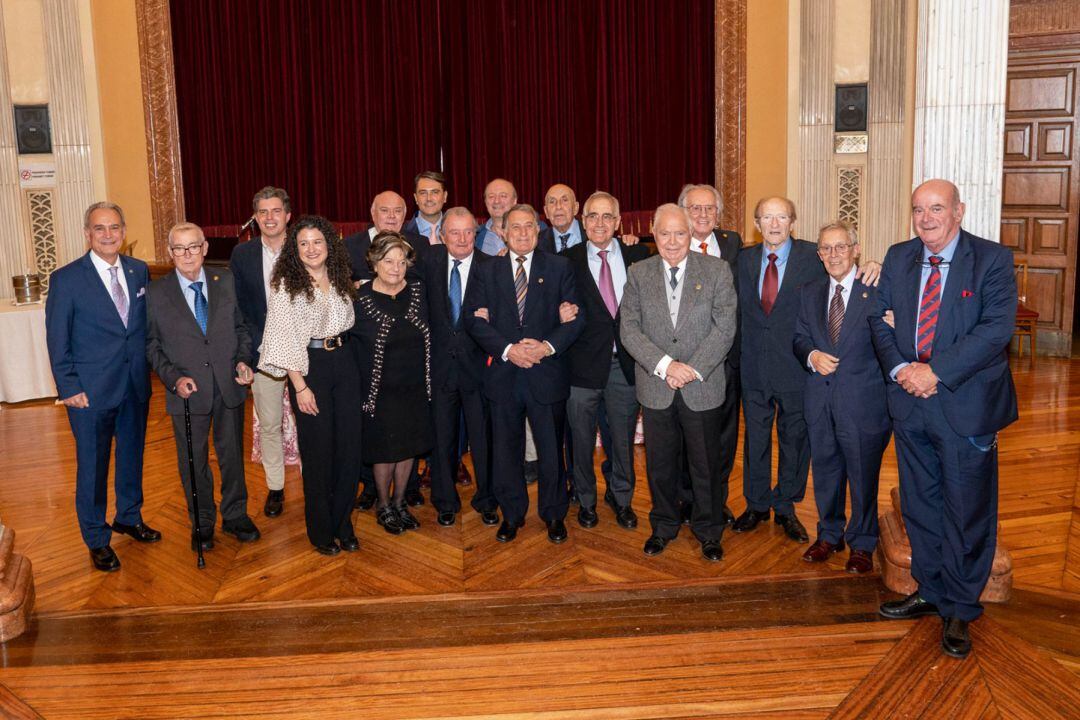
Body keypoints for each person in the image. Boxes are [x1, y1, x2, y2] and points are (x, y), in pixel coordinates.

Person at [871, 179, 1018, 659]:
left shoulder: (992, 259)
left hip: (964, 403)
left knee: (966, 509)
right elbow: (878, 318)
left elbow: (995, 329)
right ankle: (931, 589)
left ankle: (960, 605)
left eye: (936, 208)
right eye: (918, 209)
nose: (926, 217)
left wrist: (936, 371)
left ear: (959, 210)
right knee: (921, 503)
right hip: (910, 402)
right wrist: (900, 368)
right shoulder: (898, 257)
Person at [734, 197, 880, 544]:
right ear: (756, 223)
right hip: (753, 365)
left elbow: (847, 272)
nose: (774, 224)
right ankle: (756, 504)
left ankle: (785, 505)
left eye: (781, 217)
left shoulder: (813, 256)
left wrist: (875, 265)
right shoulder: (741, 259)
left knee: (795, 441)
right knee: (755, 440)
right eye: (766, 217)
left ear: (792, 222)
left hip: (798, 365)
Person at [45, 201, 159, 572]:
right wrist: (68, 386)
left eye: (114, 228)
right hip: (89, 392)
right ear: (87, 234)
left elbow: (141, 331)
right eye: (99, 229)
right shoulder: (66, 279)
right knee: (92, 467)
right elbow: (57, 340)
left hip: (134, 385)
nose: (108, 235)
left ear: (124, 232)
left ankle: (128, 515)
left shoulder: (139, 271)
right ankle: (96, 537)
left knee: (131, 457)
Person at [620, 204, 737, 562]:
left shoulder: (717, 270)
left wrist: (691, 369)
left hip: (702, 386)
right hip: (657, 386)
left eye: (680, 233)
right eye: (665, 233)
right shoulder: (639, 273)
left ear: (692, 235)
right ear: (653, 235)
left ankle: (709, 530)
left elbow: (725, 328)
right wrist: (666, 366)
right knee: (660, 466)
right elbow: (629, 329)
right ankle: (664, 525)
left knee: (706, 464)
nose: (673, 241)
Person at [464, 203, 584, 543]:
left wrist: (545, 346)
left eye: (528, 226)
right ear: (502, 231)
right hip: (503, 375)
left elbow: (576, 318)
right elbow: (473, 319)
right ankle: (512, 515)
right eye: (514, 227)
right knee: (505, 451)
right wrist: (508, 350)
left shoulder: (560, 267)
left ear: (538, 229)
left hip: (546, 374)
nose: (521, 233)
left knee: (550, 451)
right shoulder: (486, 271)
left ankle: (553, 515)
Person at [146, 222, 261, 550]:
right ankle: (203, 520)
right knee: (193, 459)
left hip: (228, 385)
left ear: (205, 248)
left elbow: (240, 328)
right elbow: (152, 344)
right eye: (179, 249)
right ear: (170, 254)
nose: (187, 254)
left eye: (193, 247)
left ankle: (236, 514)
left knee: (232, 456)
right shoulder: (156, 292)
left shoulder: (224, 280)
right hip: (187, 391)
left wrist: (243, 360)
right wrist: (173, 379)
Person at [259, 215, 363, 556]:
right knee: (319, 454)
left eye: (317, 242)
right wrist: (299, 387)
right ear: (295, 248)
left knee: (349, 449)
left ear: (329, 244)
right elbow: (283, 338)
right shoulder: (286, 284)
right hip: (309, 368)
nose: (311, 249)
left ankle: (343, 523)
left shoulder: (340, 276)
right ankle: (321, 531)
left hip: (345, 363)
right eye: (303, 243)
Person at [793, 221, 889, 574]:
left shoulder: (876, 290)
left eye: (841, 247)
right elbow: (799, 337)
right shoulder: (809, 291)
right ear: (819, 255)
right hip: (820, 402)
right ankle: (829, 534)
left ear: (856, 249)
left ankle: (863, 542)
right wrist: (810, 356)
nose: (834, 255)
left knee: (864, 476)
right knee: (827, 473)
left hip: (864, 404)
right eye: (827, 249)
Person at [563, 192, 650, 530]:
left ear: (617, 222)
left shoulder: (638, 256)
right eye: (592, 216)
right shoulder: (564, 260)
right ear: (583, 222)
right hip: (581, 368)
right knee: (581, 440)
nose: (599, 223)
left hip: (624, 366)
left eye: (606, 217)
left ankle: (621, 497)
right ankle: (586, 501)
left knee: (622, 440)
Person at [347, 190, 427, 510]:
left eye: (398, 210)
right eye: (384, 210)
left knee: (408, 443)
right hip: (376, 384)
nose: (395, 266)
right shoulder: (359, 295)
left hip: (412, 383)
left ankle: (400, 500)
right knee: (381, 445)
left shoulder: (418, 289)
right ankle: (381, 501)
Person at [419, 208, 498, 527]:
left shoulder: (492, 267)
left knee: (483, 439)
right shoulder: (428, 262)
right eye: (455, 232)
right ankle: (444, 500)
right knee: (442, 437)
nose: (463, 239)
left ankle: (488, 498)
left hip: (480, 369)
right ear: (442, 235)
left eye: (469, 232)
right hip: (439, 368)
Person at [678, 183, 742, 527]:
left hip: (727, 362)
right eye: (695, 208)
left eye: (709, 209)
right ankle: (687, 500)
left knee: (723, 439)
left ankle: (716, 501)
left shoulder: (734, 244)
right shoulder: (669, 246)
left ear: (718, 214)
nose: (702, 215)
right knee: (686, 438)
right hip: (684, 365)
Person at [229, 186, 291, 518]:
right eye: (263, 212)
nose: (269, 218)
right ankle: (276, 488)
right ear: (255, 218)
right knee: (269, 424)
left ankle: (317, 484)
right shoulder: (243, 255)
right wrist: (244, 353)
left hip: (303, 355)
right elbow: (237, 309)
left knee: (312, 423)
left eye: (275, 211)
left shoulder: (305, 248)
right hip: (261, 354)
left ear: (288, 216)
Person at [404, 170, 449, 245]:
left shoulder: (462, 229)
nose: (429, 199)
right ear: (415, 198)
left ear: (445, 196)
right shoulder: (401, 233)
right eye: (423, 193)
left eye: (435, 192)